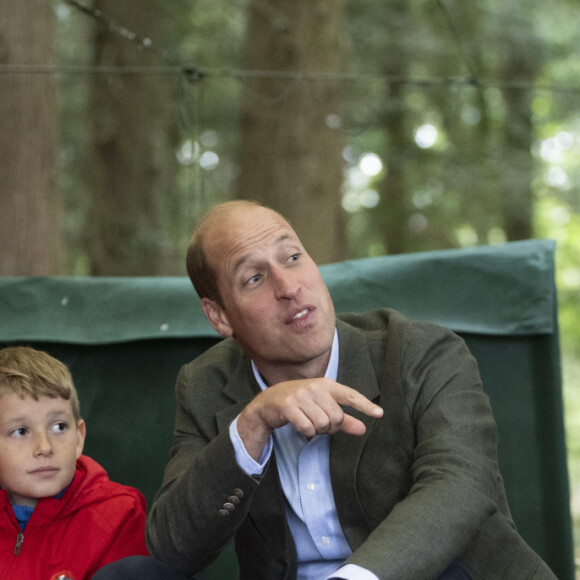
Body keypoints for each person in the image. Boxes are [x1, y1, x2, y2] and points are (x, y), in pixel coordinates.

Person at [96, 200, 556, 580]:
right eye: (254, 278)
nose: (289, 287)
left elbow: (460, 487)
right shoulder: (205, 385)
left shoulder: (420, 351)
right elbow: (174, 547)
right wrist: (251, 424)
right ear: (219, 317)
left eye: (293, 257)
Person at [0, 346, 149, 579]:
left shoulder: (118, 515)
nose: (45, 448)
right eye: (20, 431)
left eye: (59, 427)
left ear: (79, 437)